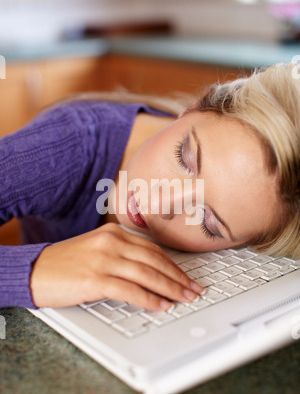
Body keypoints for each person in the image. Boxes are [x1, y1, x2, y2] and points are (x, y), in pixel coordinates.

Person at [0, 63, 299, 312]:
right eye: (184, 158)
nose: (160, 204)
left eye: (208, 223)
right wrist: (32, 272)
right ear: (194, 107)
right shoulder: (67, 143)